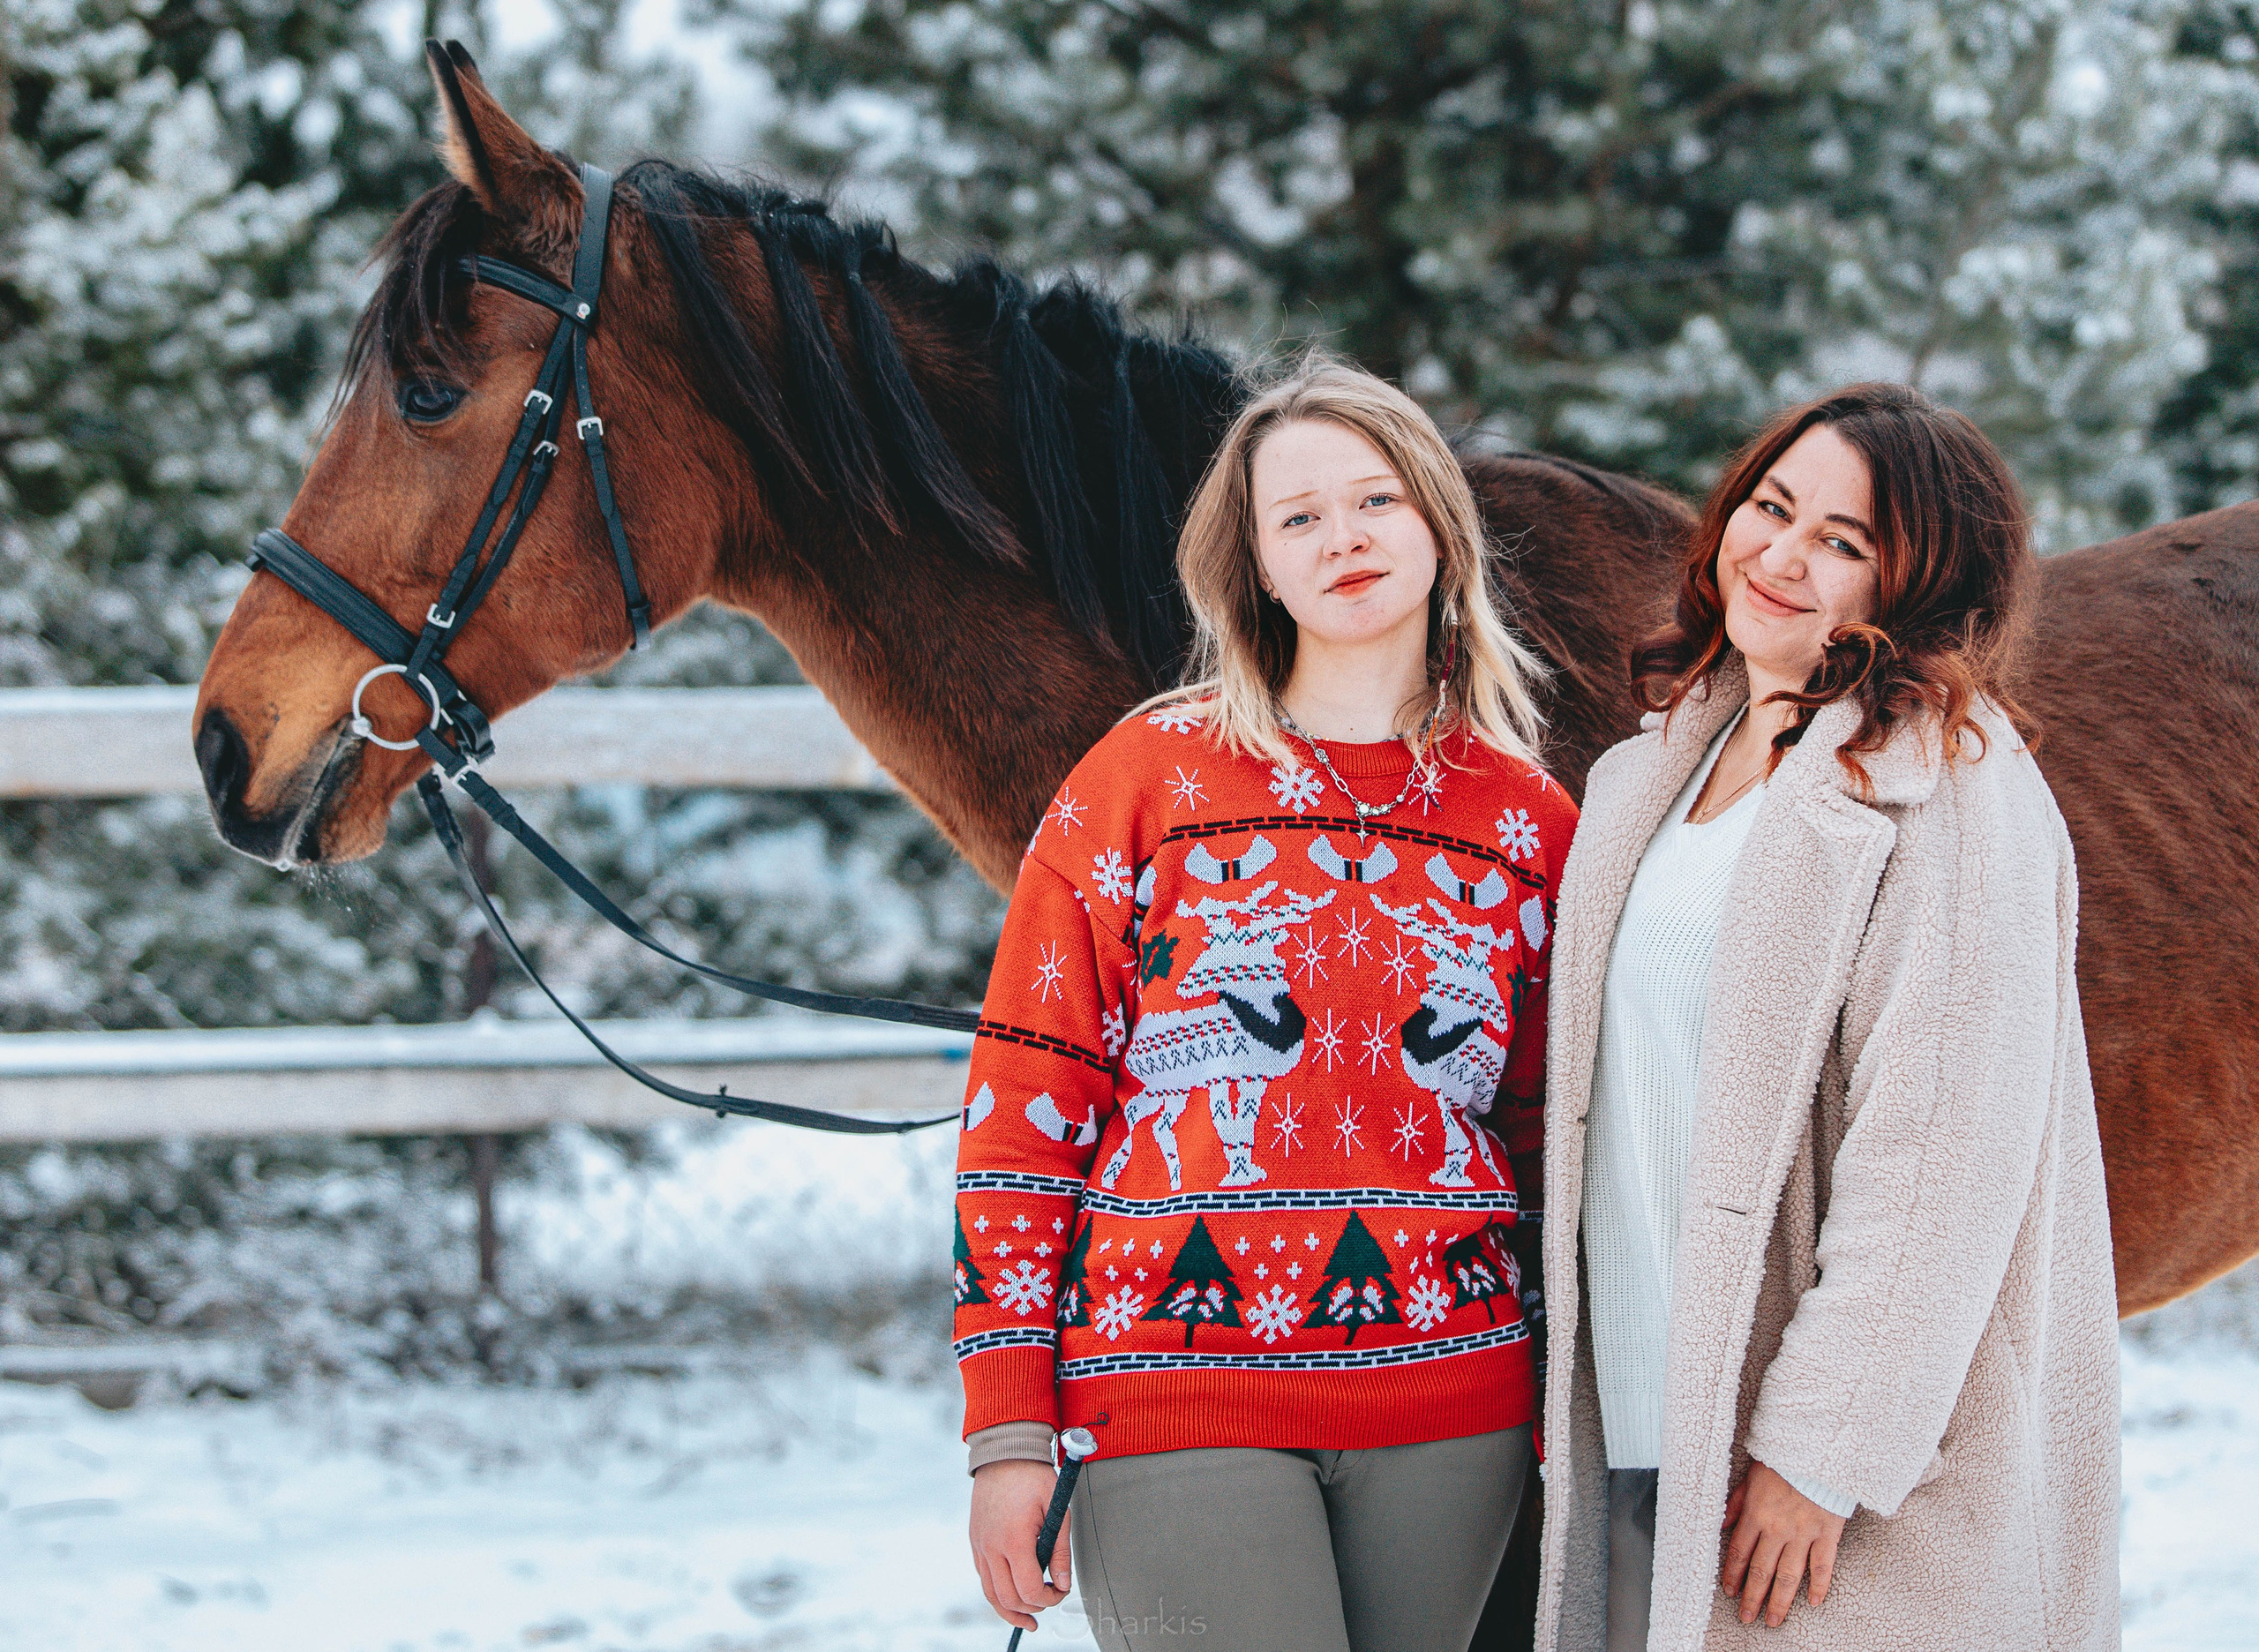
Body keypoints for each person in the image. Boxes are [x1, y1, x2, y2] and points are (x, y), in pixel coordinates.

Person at [952, 359, 1577, 1652]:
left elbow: (1543, 1142)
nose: (1341, 539)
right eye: (1297, 518)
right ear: (1256, 569)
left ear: (1438, 531)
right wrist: (1008, 1426)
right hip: (1173, 1385)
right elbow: (1023, 1109)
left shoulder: (1529, 821)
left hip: (1454, 1408)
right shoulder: (1146, 777)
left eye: (1375, 501)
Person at [1534, 382, 2120, 1651]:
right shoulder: (1653, 770)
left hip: (1803, 1471)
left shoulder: (1949, 794)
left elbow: (1941, 1155)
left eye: (1844, 543)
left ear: (1920, 587)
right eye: (1772, 506)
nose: (1782, 556)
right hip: (1640, 1419)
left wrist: (1822, 1449)